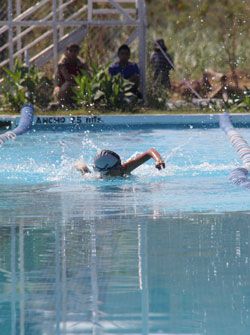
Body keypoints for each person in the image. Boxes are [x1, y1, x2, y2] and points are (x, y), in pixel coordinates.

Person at [75, 148, 165, 178]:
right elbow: (79, 165)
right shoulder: (95, 177)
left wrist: (158, 160)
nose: (121, 166)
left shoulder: (125, 168)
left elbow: (150, 151)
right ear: (108, 170)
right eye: (118, 165)